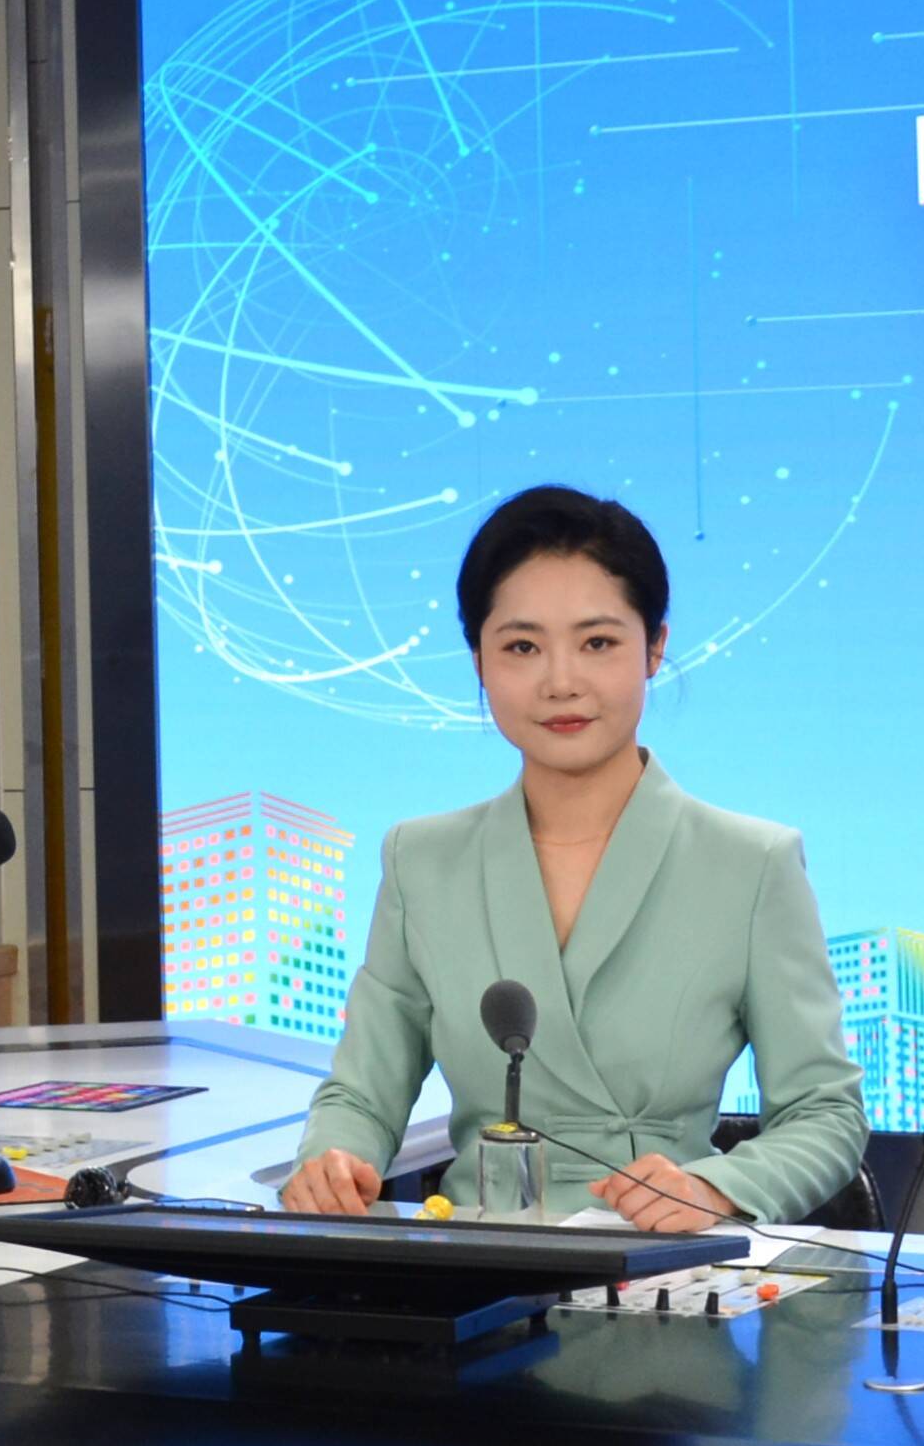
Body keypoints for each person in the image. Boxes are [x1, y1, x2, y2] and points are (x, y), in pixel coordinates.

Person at [283, 486, 866, 1229]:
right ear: (479, 661)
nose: (560, 682)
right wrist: (332, 1161)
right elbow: (361, 1096)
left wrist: (715, 1188)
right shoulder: (420, 861)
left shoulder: (752, 864)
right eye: (522, 647)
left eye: (597, 643)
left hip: (659, 1261)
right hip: (473, 1266)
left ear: (654, 647)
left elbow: (824, 1112)